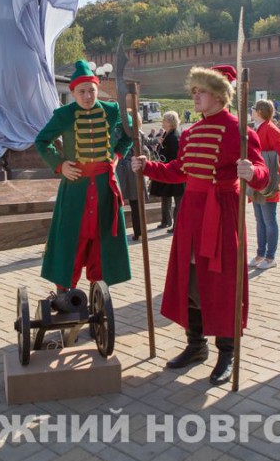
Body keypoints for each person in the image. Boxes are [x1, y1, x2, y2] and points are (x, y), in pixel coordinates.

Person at [132, 65, 269, 384]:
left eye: (201, 91)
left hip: (221, 214)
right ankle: (196, 346)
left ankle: (227, 352)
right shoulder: (191, 133)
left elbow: (263, 175)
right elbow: (179, 170)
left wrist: (252, 172)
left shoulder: (240, 132)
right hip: (191, 214)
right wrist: (148, 167)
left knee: (223, 284)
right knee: (190, 280)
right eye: (193, 91)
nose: (195, 96)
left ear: (219, 95)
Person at [35, 59, 132, 296]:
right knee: (72, 237)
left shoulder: (112, 111)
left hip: (104, 186)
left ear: (97, 89)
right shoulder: (64, 115)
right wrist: (60, 165)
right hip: (75, 187)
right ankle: (64, 291)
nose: (87, 96)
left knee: (101, 236)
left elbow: (130, 133)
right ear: (73, 92)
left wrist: (118, 155)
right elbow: (42, 141)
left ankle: (98, 291)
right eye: (82, 91)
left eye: (91, 90)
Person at [249, 100, 280, 269]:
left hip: (268, 181)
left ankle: (270, 257)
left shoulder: (271, 129)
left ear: (260, 112)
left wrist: (259, 158)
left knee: (269, 220)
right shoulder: (257, 128)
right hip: (258, 179)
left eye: (253, 109)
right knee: (260, 219)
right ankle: (260, 254)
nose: (251, 111)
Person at [149, 111, 185, 234]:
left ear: (169, 122)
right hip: (167, 170)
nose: (162, 122)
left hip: (173, 171)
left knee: (178, 199)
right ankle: (166, 221)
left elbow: (175, 156)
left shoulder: (174, 136)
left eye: (164, 120)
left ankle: (176, 225)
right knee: (166, 196)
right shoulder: (167, 134)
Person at [116, 111, 150, 242]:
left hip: (127, 168)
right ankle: (138, 232)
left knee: (123, 203)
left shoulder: (124, 133)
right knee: (134, 203)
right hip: (132, 168)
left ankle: (126, 233)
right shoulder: (139, 134)